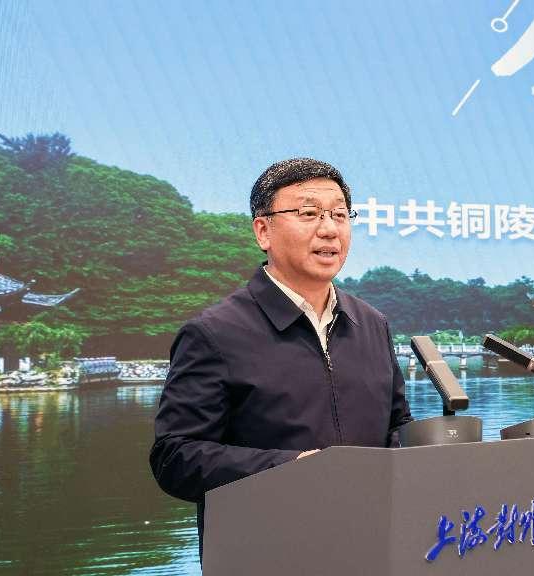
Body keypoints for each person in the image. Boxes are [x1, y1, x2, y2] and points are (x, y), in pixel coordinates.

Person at [149, 157, 413, 555]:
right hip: (266, 553)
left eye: (340, 214)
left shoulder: (372, 323)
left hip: (371, 546)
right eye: (309, 213)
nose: (329, 229)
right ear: (263, 231)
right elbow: (175, 457)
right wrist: (293, 469)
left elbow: (397, 424)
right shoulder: (214, 333)